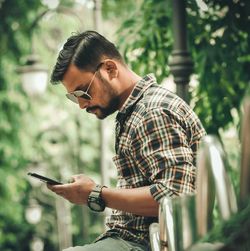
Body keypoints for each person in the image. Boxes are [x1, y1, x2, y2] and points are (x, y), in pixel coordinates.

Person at [48, 30, 206, 251]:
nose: (82, 105)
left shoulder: (152, 111)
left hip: (145, 243)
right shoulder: (135, 113)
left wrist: (95, 193)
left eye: (83, 92)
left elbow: (176, 199)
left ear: (110, 69)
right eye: (74, 97)